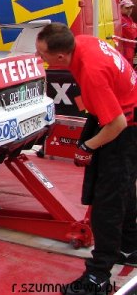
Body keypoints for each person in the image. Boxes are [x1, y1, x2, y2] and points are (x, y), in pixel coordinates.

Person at [35, 23, 137, 295]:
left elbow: (117, 124)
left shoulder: (92, 73)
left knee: (106, 200)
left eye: (42, 53)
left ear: (59, 56)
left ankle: (98, 276)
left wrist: (87, 147)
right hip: (120, 111)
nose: (39, 56)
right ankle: (130, 246)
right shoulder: (82, 41)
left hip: (124, 126)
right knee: (124, 187)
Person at [120, 0, 137, 66]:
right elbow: (131, 34)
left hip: (130, 47)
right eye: (127, 8)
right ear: (120, 8)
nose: (130, 10)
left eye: (131, 8)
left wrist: (133, 28)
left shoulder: (128, 18)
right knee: (127, 66)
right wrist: (134, 28)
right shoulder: (122, 19)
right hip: (125, 48)